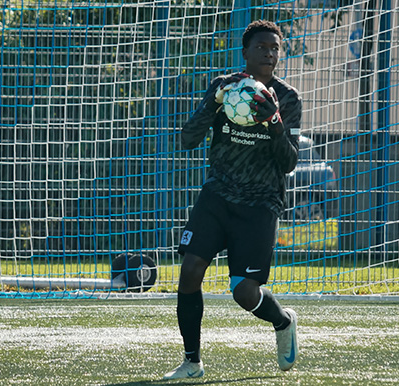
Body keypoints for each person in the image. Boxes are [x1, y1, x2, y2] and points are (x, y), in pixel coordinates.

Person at [163, 20, 302, 380]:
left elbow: (288, 163)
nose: (269, 54)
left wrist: (273, 121)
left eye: (275, 48)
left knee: (243, 291)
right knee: (190, 271)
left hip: (260, 203)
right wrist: (215, 103)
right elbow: (187, 139)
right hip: (218, 195)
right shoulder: (223, 87)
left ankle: (283, 321)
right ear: (245, 52)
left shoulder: (288, 98)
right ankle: (191, 362)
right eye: (261, 47)